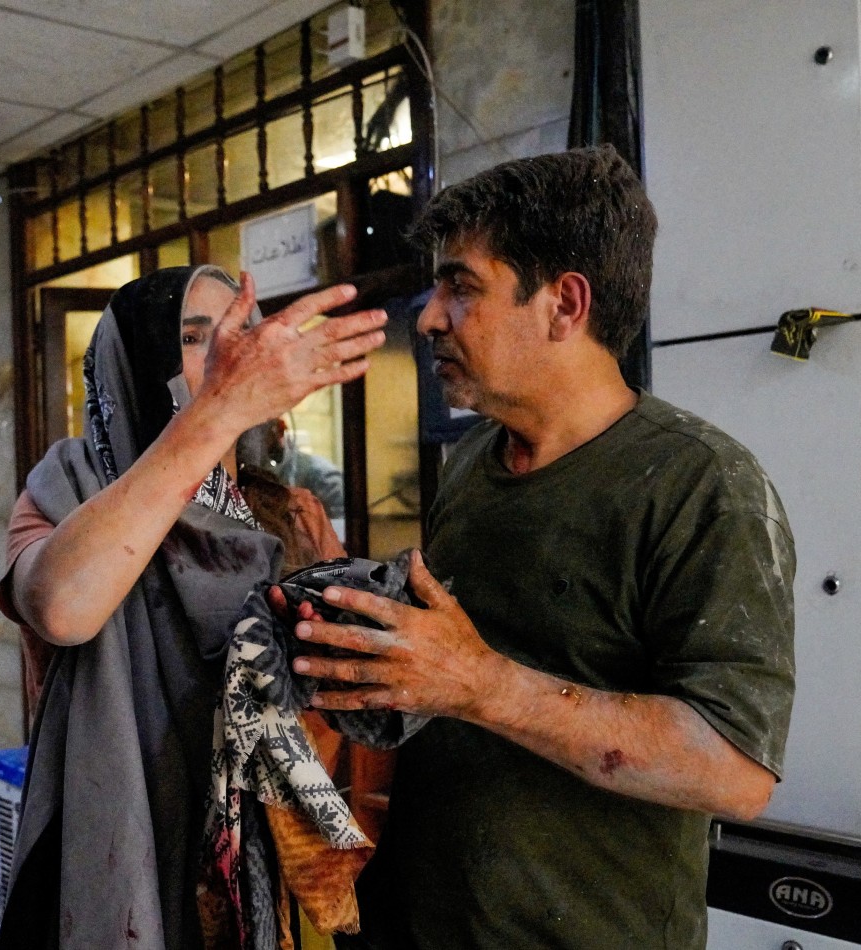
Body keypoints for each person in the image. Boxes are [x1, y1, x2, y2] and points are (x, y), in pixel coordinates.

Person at [290, 147, 796, 949]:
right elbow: (448, 678)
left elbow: (734, 773)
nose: (427, 317)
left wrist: (480, 684)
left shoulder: (702, 485)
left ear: (564, 304)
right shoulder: (468, 464)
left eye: (462, 286)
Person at [0, 265, 389, 949]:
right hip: (115, 847)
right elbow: (63, 607)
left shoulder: (289, 513)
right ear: (137, 361)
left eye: (239, 332)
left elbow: (344, 696)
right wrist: (222, 409)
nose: (226, 353)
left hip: (264, 862)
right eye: (193, 335)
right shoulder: (65, 494)